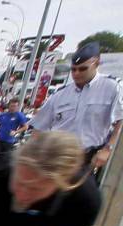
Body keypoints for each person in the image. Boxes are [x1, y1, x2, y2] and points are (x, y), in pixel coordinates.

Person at [30, 42, 122, 179]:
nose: (76, 73)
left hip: (88, 159)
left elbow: (120, 120)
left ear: (96, 64)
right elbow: (38, 128)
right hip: (57, 158)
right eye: (73, 69)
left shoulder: (112, 87)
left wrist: (108, 148)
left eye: (82, 69)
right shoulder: (60, 94)